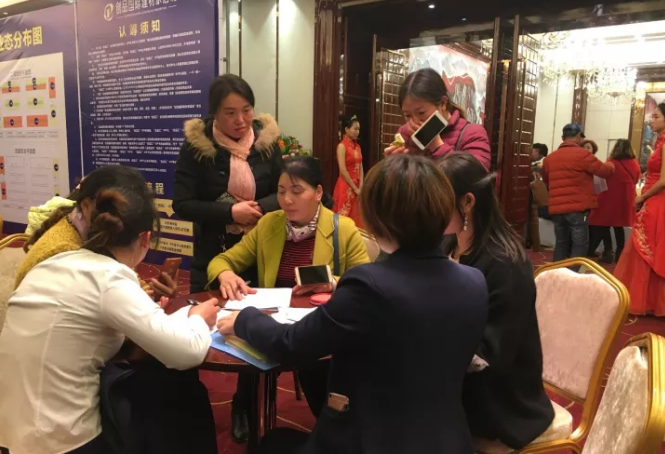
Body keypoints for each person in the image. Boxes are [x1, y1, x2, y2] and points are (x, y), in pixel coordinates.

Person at [217, 155, 489, 454]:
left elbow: (290, 344)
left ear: (375, 218)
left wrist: (244, 319)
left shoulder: (368, 284)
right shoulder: (474, 281)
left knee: (270, 443)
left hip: (373, 441)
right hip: (448, 439)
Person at [0, 184, 220, 454]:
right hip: (61, 438)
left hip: (12, 428)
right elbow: (187, 353)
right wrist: (197, 317)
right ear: (146, 238)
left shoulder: (57, 260)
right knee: (177, 390)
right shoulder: (110, 277)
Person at [207, 156, 368, 439]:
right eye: (281, 191)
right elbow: (222, 260)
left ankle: (330, 421)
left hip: (316, 323)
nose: (287, 200)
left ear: (318, 192)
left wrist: (332, 283)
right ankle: (243, 407)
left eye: (297, 191)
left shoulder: (343, 229)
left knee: (317, 369)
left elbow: (365, 283)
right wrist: (225, 274)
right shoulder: (269, 224)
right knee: (247, 347)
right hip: (272, 316)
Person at [437, 152, 554, 449]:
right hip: (458, 378)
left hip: (499, 396)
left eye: (437, 201)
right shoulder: (447, 244)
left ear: (468, 202)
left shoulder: (505, 264)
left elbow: (493, 355)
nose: (429, 210)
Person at [174, 74, 283, 294]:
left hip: (261, 248)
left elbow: (283, 192)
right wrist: (230, 212)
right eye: (230, 113)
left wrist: (259, 207)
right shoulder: (197, 147)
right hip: (212, 249)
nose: (240, 120)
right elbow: (182, 203)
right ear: (214, 113)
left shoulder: (266, 143)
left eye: (246, 110)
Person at [16, 166, 177, 300]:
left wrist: (152, 293)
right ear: (86, 205)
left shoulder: (94, 233)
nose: (119, 217)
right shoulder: (65, 255)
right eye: (110, 208)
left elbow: (124, 278)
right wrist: (141, 304)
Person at [383, 68, 491, 170]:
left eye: (421, 112)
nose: (414, 121)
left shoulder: (472, 133)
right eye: (408, 115)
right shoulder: (405, 133)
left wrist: (436, 145)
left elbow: (476, 178)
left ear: (443, 103)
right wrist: (391, 165)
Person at [615, 103, 665, 316]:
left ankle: (649, 301)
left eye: (656, 116)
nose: (651, 120)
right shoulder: (659, 142)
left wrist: (643, 196)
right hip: (654, 199)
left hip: (658, 201)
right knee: (648, 249)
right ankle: (650, 301)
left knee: (648, 249)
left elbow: (664, 180)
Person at [542, 124, 615, 262]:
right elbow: (605, 171)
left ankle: (557, 271)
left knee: (561, 243)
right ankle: (573, 272)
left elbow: (546, 180)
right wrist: (611, 164)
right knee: (580, 244)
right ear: (578, 136)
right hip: (578, 208)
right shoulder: (583, 155)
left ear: (562, 138)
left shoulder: (550, 158)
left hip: (557, 208)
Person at [588, 139, 640, 264]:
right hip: (625, 197)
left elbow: (601, 178)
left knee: (604, 224)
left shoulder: (610, 162)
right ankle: (620, 253)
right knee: (619, 226)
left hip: (608, 196)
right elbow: (636, 180)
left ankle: (608, 251)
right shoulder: (635, 164)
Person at [332, 115, 364, 228]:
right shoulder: (342, 146)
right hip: (346, 185)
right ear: (346, 129)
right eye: (355, 129)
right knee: (344, 219)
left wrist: (361, 186)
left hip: (357, 186)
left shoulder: (358, 147)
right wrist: (355, 189)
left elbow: (360, 167)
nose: (357, 132)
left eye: (358, 129)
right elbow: (342, 170)